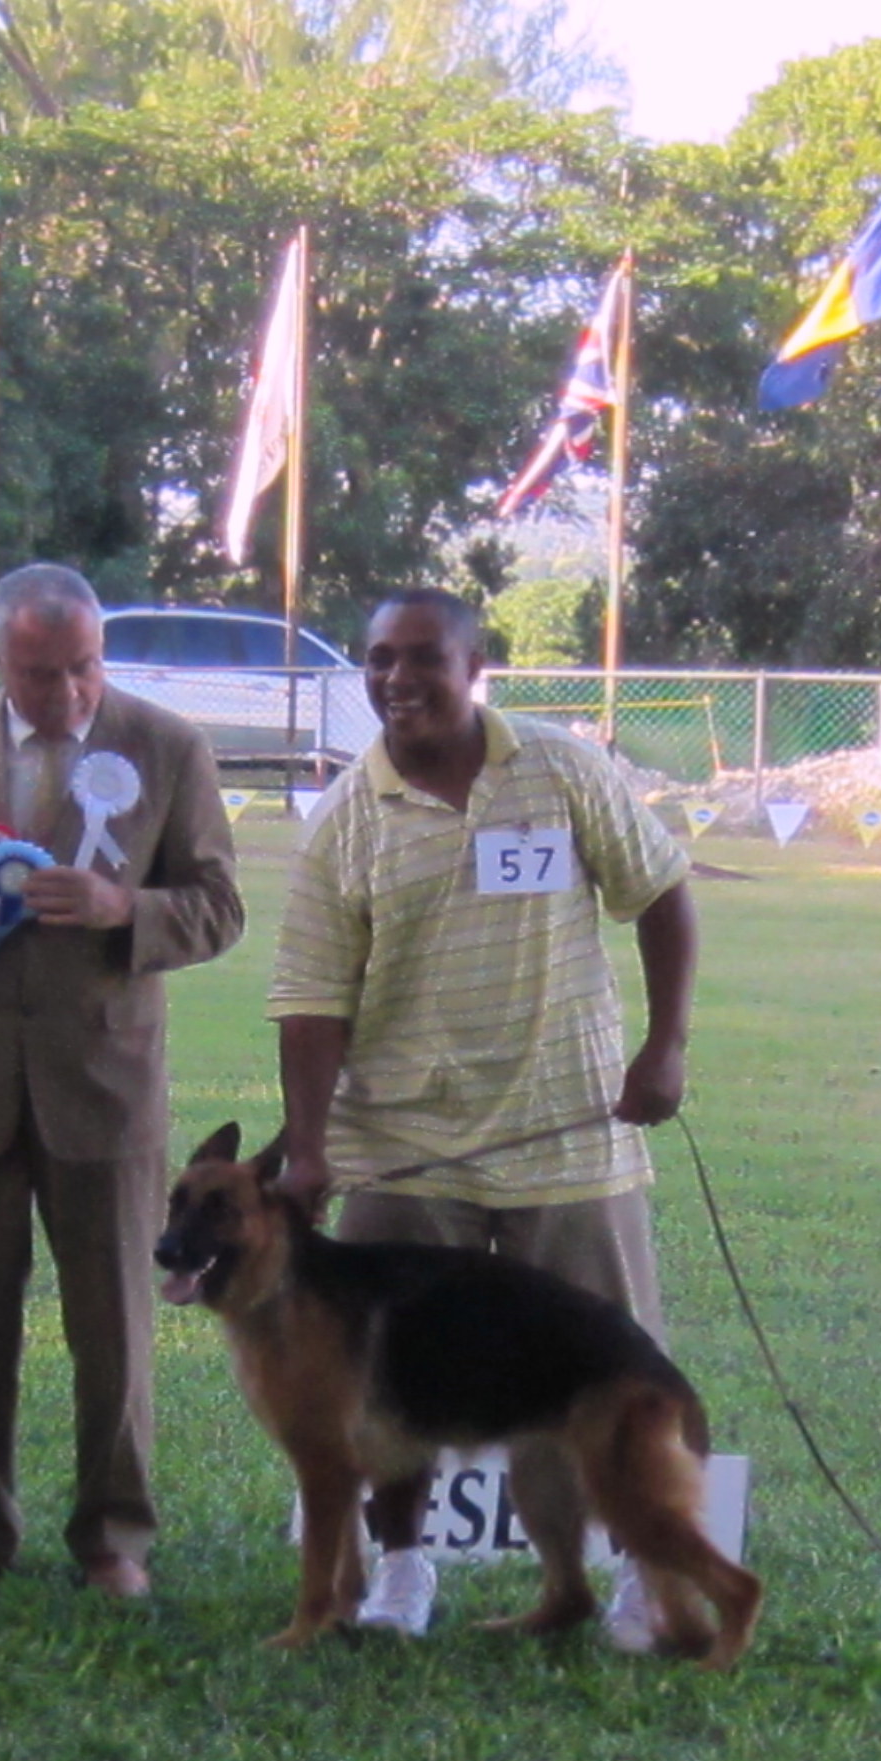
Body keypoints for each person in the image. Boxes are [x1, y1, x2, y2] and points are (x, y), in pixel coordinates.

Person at [267, 585, 697, 1645]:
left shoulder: (559, 768)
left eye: (422, 656)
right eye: (376, 658)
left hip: (569, 1138)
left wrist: (665, 1043)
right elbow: (311, 997)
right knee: (387, 1391)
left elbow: (663, 894)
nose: (396, 677)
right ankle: (402, 1575)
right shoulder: (346, 817)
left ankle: (631, 1578)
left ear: (475, 665)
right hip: (400, 1155)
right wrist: (311, 1145)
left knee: (609, 1378)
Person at [0, 562, 243, 1597]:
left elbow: (219, 903)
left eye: (82, 667)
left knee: (114, 1322)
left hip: (104, 1081)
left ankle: (114, 1536)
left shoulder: (167, 745)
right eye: (39, 673)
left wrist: (132, 913)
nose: (66, 693)